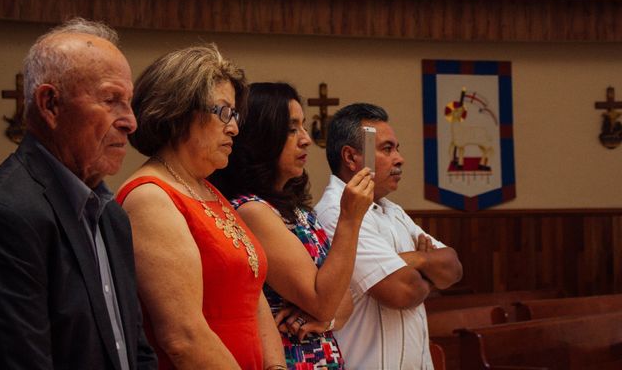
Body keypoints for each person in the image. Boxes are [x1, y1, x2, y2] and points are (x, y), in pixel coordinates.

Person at [0, 18, 157, 369]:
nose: (130, 122)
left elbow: (138, 352)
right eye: (111, 100)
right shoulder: (3, 213)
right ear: (50, 105)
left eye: (129, 102)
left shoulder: (113, 215)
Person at [116, 46, 286, 370]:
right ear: (179, 112)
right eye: (223, 112)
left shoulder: (206, 188)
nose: (234, 128)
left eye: (235, 115)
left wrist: (276, 366)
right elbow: (182, 338)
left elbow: (252, 295)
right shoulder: (150, 196)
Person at [211, 82, 374, 369]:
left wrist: (325, 319)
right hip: (287, 361)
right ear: (261, 137)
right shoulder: (252, 211)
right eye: (291, 129)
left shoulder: (298, 211)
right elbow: (324, 299)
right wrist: (350, 218)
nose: (306, 139)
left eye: (303, 127)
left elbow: (345, 299)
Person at [315, 103, 463, 370]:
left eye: (397, 148)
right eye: (387, 149)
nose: (399, 158)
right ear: (351, 158)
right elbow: (402, 291)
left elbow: (453, 268)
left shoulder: (390, 209)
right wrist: (426, 266)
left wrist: (412, 260)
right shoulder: (336, 211)